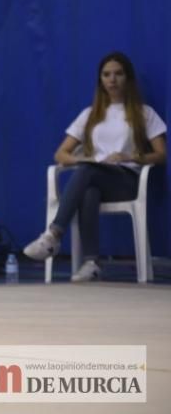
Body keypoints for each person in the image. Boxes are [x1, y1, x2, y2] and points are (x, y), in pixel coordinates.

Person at [23, 52, 167, 281]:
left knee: (87, 174)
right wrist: (84, 160)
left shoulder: (144, 113)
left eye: (118, 74)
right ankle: (92, 263)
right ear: (100, 80)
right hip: (95, 175)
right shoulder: (90, 115)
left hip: (127, 180)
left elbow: (161, 155)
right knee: (89, 189)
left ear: (128, 79)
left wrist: (130, 156)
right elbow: (61, 153)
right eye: (106, 74)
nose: (112, 79)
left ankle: (53, 235)